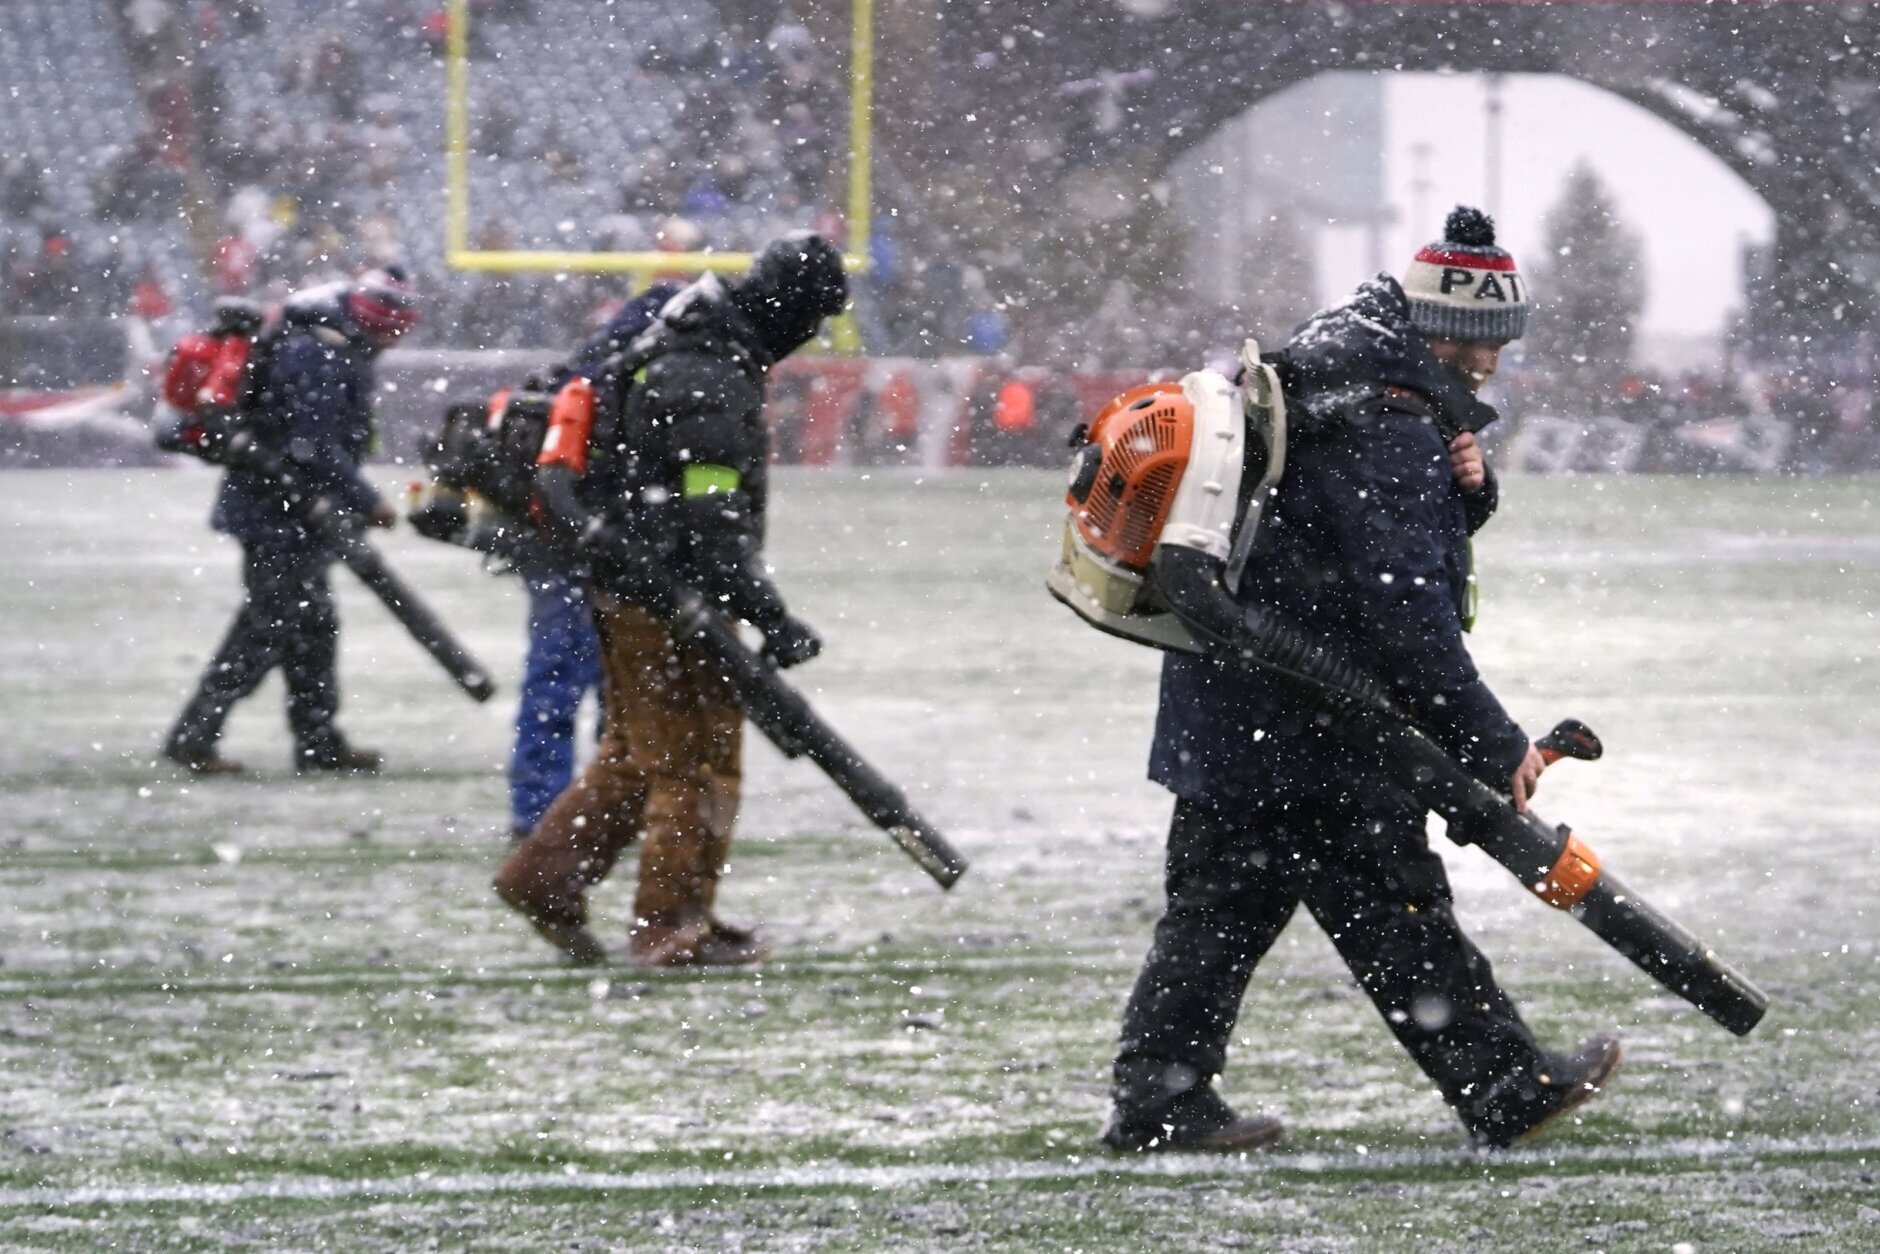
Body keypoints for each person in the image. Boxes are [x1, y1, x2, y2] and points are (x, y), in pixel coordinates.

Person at [1104, 208, 1621, 1154]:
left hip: (1236, 701)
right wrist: (1495, 741)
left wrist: (1468, 493)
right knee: (1394, 906)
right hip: (1319, 722)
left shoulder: (1332, 364)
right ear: (1443, 332)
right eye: (1482, 345)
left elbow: (1347, 550)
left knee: (1221, 914)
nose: (1493, 365)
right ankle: (1502, 1086)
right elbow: (1404, 609)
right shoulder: (1386, 420)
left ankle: (1159, 1100)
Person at [492, 232, 847, 967]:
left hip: (633, 582)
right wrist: (770, 616)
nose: (808, 340)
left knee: (635, 752)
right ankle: (671, 924)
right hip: (673, 593)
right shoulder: (710, 372)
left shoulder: (687, 340)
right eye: (811, 323)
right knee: (698, 759)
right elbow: (709, 523)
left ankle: (545, 879)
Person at [162, 268, 419, 775]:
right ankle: (197, 734)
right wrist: (368, 500)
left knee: (310, 626)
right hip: (278, 512)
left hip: (287, 509)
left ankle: (317, 740)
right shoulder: (319, 352)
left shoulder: (319, 339)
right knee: (268, 627)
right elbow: (312, 447)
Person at [504, 281, 684, 841]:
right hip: (587, 550)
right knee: (602, 682)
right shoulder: (623, 383)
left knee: (567, 681)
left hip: (562, 549)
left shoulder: (583, 374)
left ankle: (551, 808)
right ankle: (585, 811)